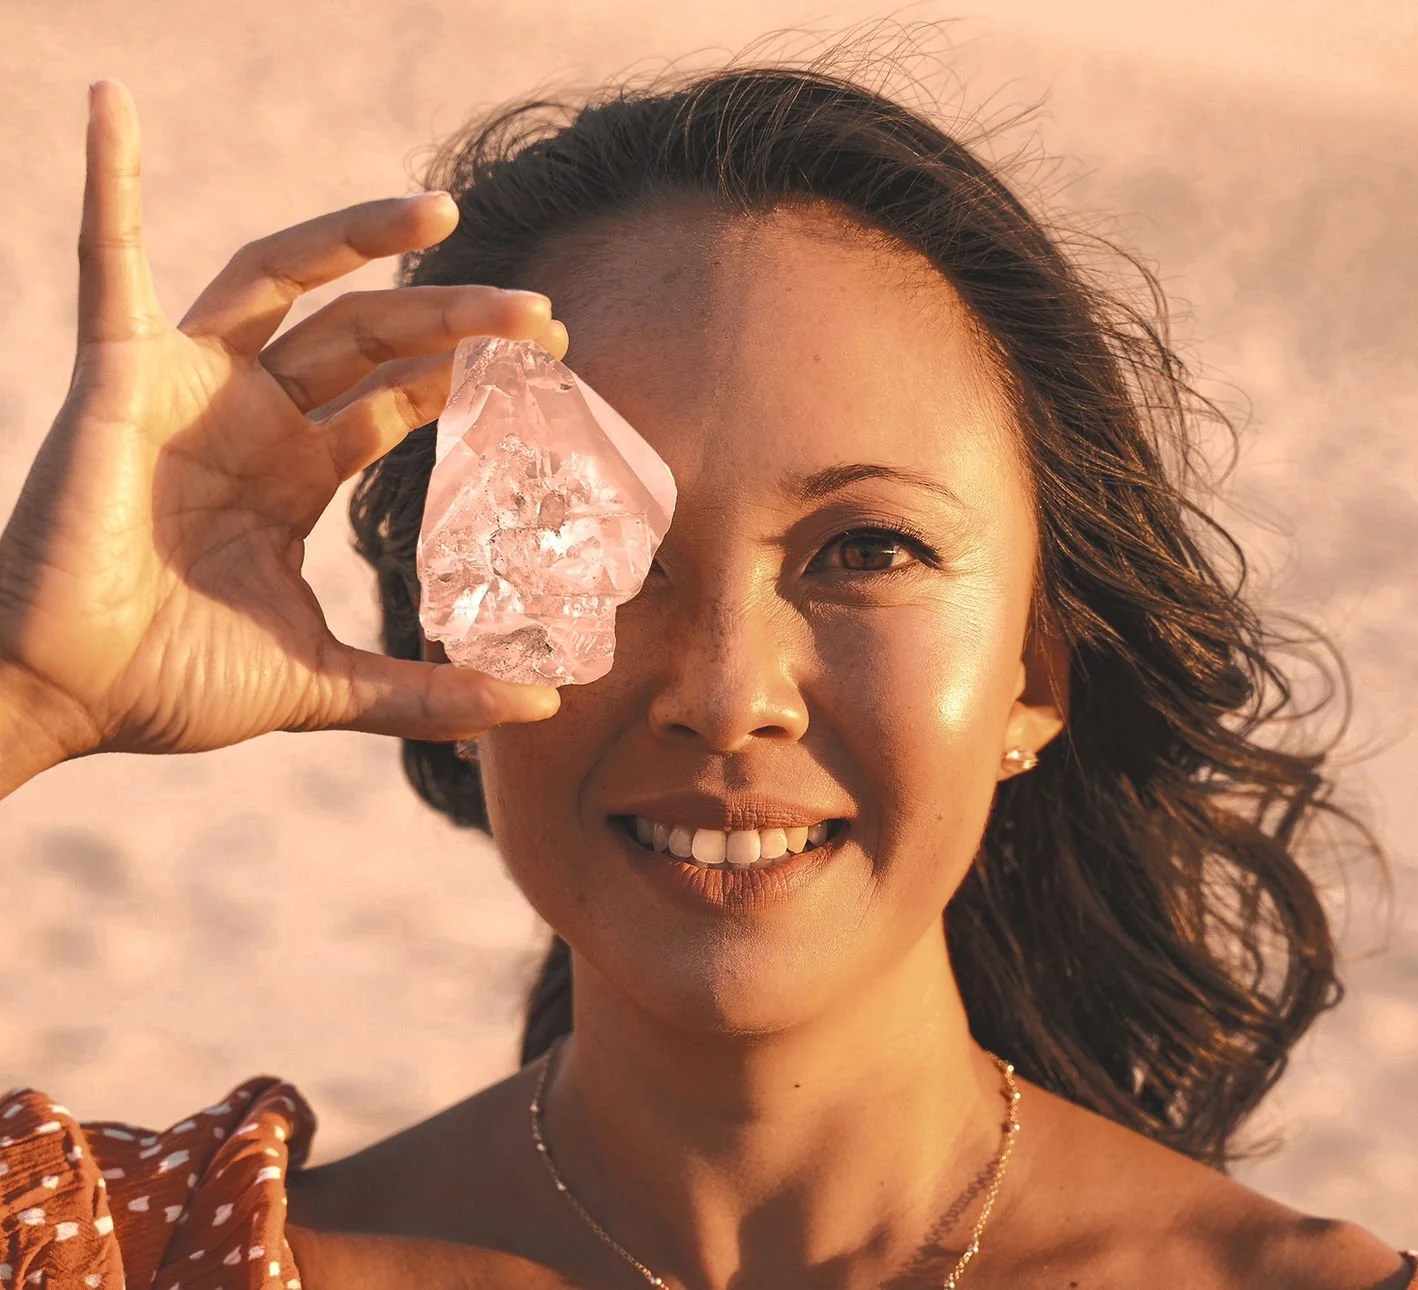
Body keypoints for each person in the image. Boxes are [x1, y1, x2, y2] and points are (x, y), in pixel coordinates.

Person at [0, 51, 1413, 1290]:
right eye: (582, 537)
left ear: (1037, 672)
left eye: (863, 549)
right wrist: (28, 694)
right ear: (449, 620)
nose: (729, 690)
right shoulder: (143, 1253)